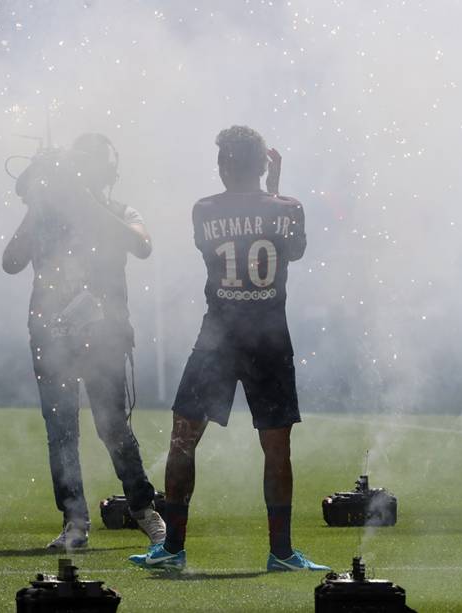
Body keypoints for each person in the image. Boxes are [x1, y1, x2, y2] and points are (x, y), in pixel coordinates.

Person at [130, 125, 328, 571]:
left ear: (222, 166)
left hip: (218, 338)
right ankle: (281, 553)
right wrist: (275, 191)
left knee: (183, 440)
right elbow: (293, 251)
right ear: (263, 165)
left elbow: (215, 245)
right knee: (277, 448)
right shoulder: (289, 208)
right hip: (270, 339)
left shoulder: (204, 210)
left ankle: (173, 548)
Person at [2, 132, 165, 549]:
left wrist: (86, 203)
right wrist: (38, 206)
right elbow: (10, 261)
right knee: (61, 430)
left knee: (113, 426)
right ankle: (74, 521)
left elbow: (142, 245)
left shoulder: (118, 210)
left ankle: (143, 507)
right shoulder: (47, 213)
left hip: (104, 334)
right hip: (51, 334)